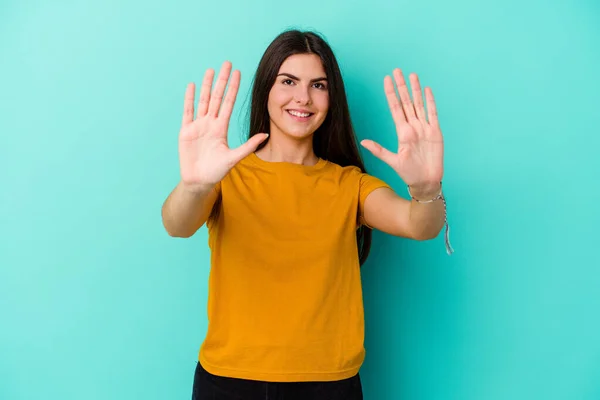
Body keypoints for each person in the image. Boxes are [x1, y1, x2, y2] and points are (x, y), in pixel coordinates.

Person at [161, 29, 453, 400]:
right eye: (288, 81)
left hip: (328, 385)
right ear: (266, 89)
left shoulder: (350, 185)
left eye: (318, 85)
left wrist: (426, 190)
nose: (303, 97)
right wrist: (195, 185)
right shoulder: (225, 176)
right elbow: (177, 224)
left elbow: (418, 224)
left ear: (332, 99)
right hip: (230, 381)